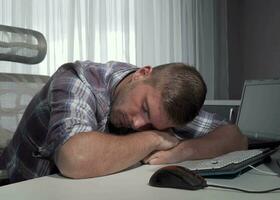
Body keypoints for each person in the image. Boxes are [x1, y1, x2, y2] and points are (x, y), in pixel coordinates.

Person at [0, 61, 247, 183]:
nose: (138, 123)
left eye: (154, 124)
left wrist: (182, 151)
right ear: (142, 73)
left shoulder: (161, 104)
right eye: (144, 108)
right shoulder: (79, 78)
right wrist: (155, 138)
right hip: (24, 187)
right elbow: (75, 159)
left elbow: (236, 137)